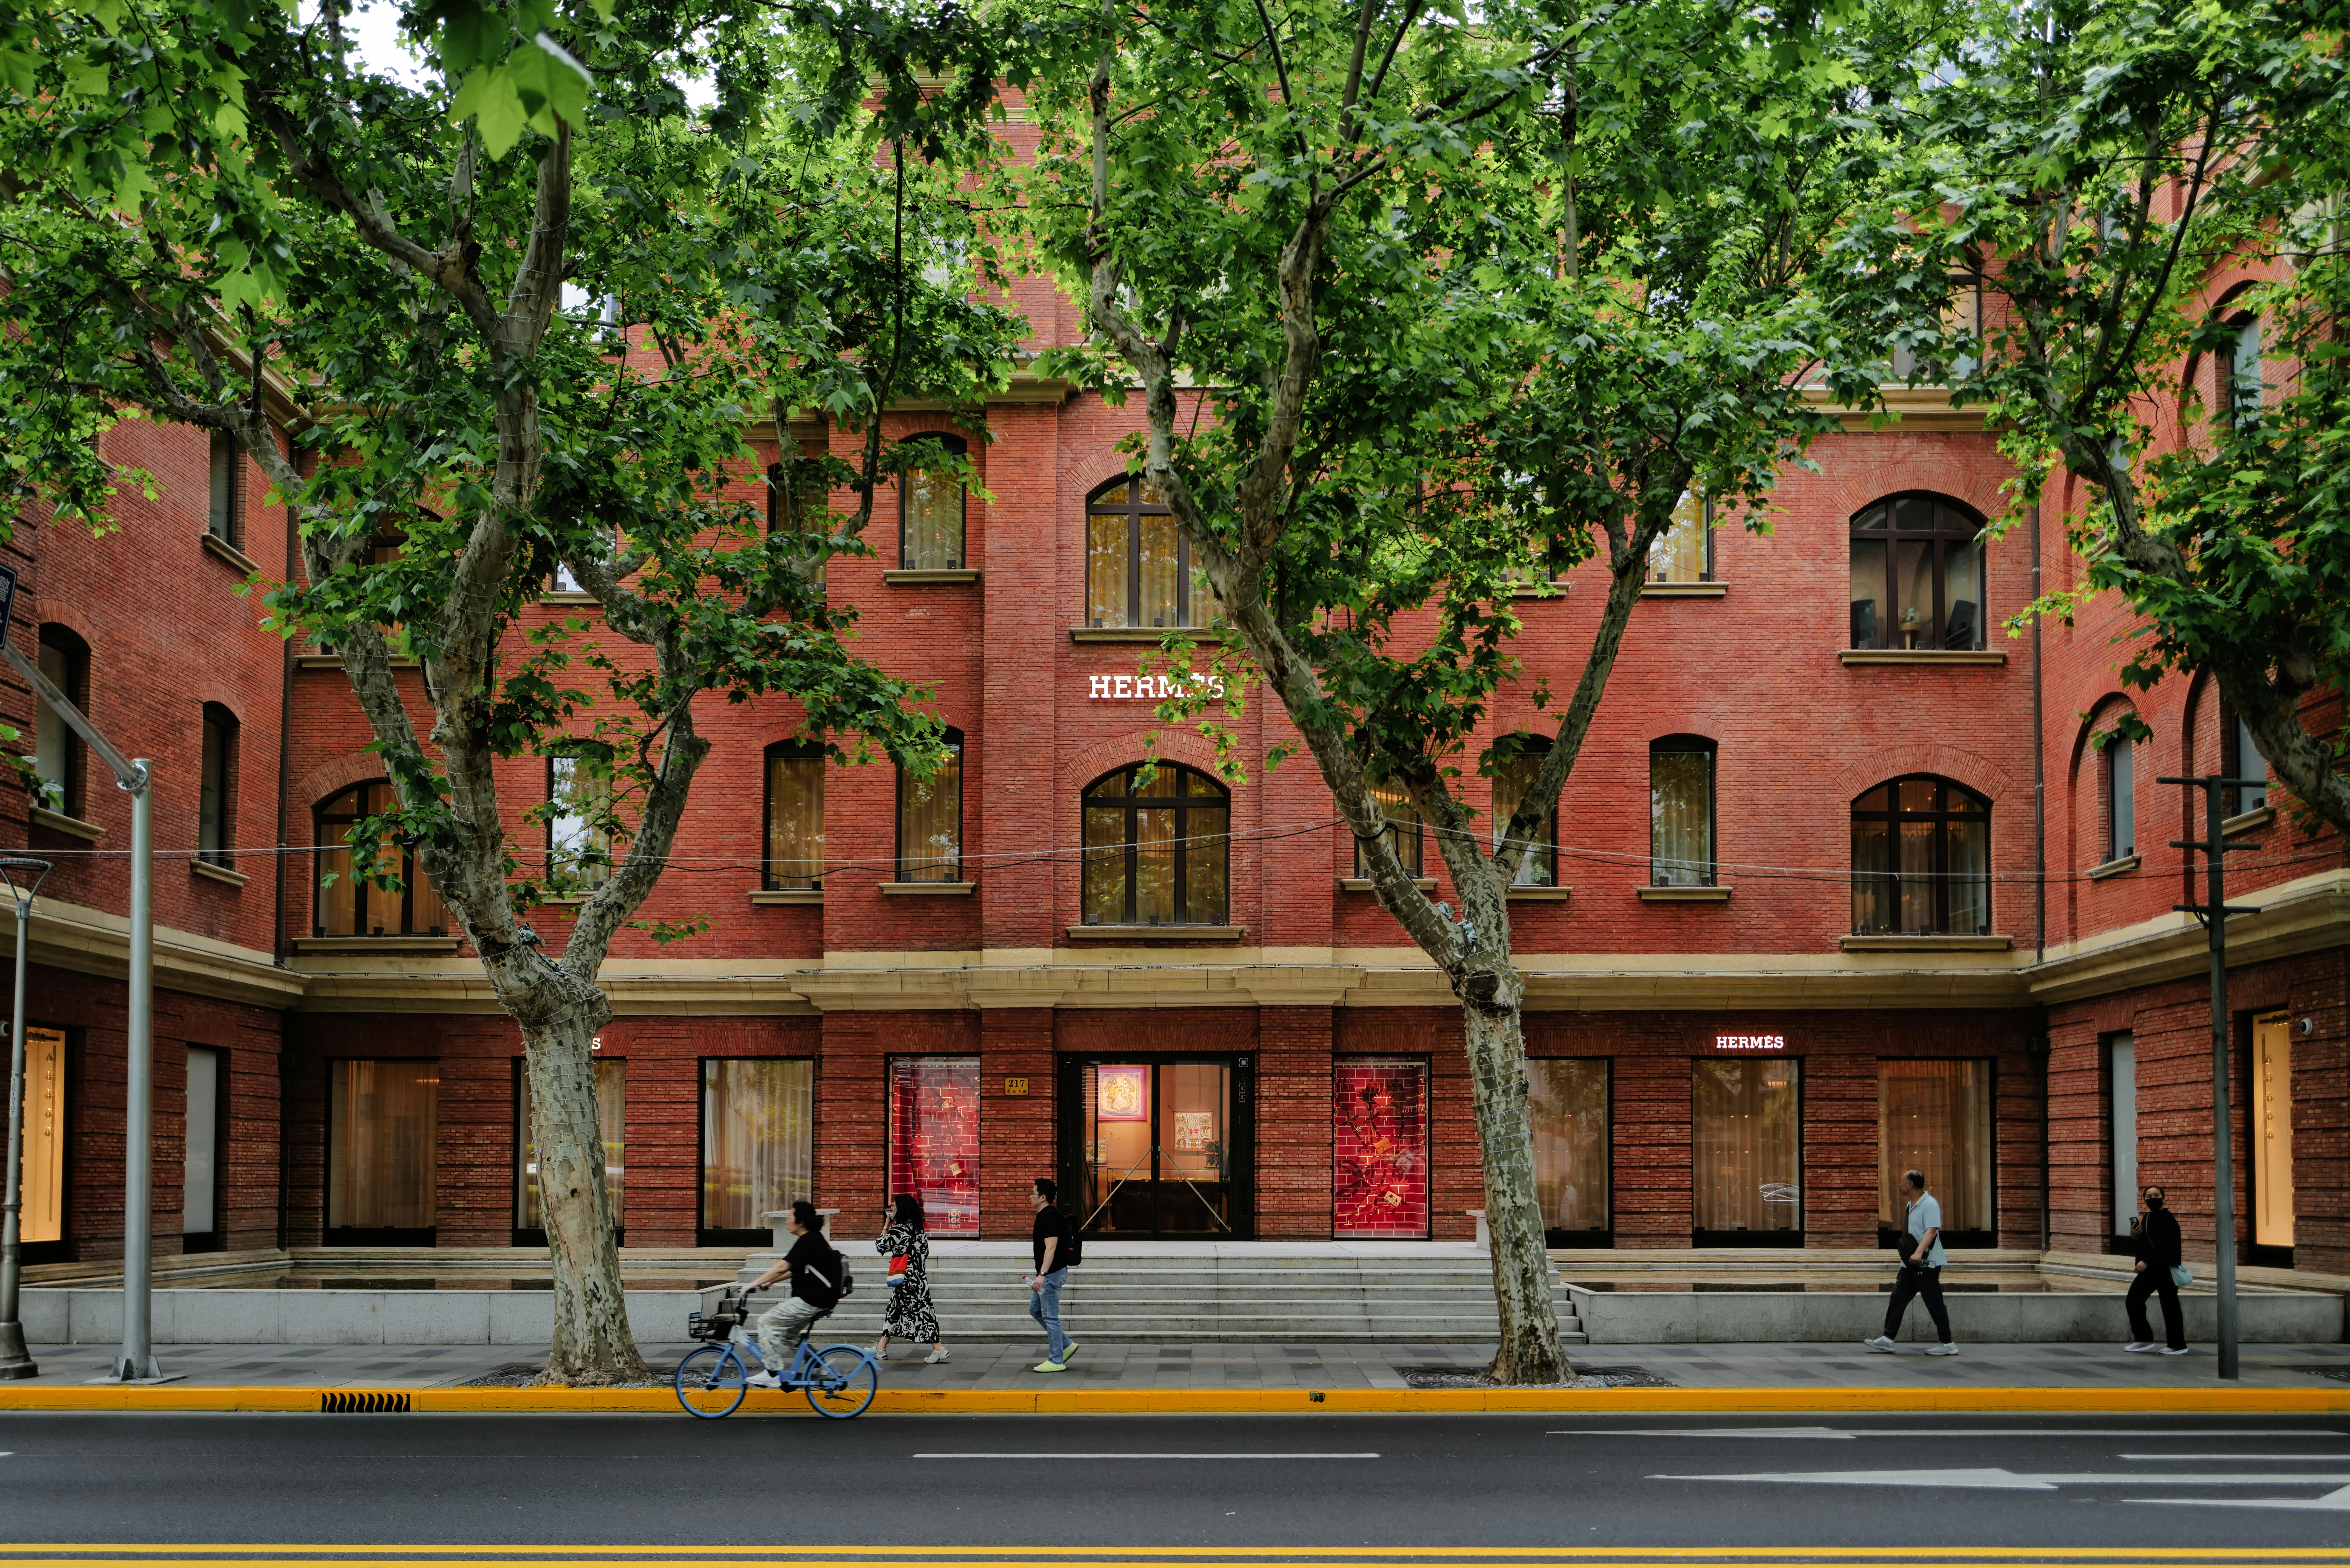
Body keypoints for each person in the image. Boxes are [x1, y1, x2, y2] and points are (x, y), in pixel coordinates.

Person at [740, 1200, 843, 1387]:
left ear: (800, 1221)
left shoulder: (808, 1240)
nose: (787, 1221)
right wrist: (769, 1282)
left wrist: (752, 1284)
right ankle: (817, 1365)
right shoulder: (814, 1238)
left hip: (812, 1299)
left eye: (790, 1217)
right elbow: (794, 1270)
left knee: (765, 1322)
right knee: (789, 1336)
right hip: (821, 1298)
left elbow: (782, 1266)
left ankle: (771, 1374)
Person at [1863, 1168, 1958, 1357]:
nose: (1899, 1184)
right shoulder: (1911, 1204)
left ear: (1910, 1184)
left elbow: (1932, 1231)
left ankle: (1948, 1343)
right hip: (1910, 1264)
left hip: (1926, 1263)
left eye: (1901, 1181)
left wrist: (1919, 1253)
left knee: (1934, 1303)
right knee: (1898, 1298)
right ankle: (1888, 1339)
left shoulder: (1929, 1204)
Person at [875, 1192, 949, 1364]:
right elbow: (925, 1252)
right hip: (919, 1278)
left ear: (901, 1209)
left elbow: (881, 1246)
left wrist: (887, 1224)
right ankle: (881, 1348)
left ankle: (939, 1348)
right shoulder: (917, 1228)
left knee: (922, 1312)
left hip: (905, 1280)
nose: (891, 1208)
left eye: (894, 1205)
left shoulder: (899, 1229)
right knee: (895, 1311)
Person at [2125, 1184, 2190, 1355]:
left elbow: (2164, 1243)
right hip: (2151, 1269)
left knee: (2170, 1306)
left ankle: (2177, 1345)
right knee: (2133, 1300)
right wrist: (2134, 1237)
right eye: (2149, 1196)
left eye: (2156, 1195)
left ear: (2163, 1197)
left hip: (2165, 1269)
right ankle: (2144, 1339)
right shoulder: (2147, 1217)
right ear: (2144, 1200)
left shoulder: (2168, 1218)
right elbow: (2146, 1243)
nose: (2153, 1199)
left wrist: (2145, 1261)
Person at [1027, 1177, 1078, 1373]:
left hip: (1051, 1274)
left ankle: (1056, 1360)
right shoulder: (1045, 1216)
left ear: (1043, 1197)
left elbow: (1051, 1248)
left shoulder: (1049, 1218)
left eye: (1033, 1193)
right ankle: (1066, 1344)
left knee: (1050, 1316)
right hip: (1049, 1274)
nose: (1030, 1197)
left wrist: (1042, 1275)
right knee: (1036, 1311)